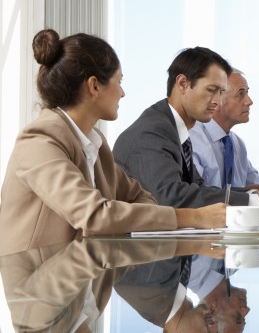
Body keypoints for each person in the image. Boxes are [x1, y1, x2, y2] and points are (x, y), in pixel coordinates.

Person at [0, 30, 225, 258]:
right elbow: (95, 216)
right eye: (119, 81)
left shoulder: (94, 144)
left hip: (84, 281)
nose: (123, 93)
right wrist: (195, 217)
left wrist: (121, 219)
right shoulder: (39, 141)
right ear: (94, 86)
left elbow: (144, 198)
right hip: (36, 286)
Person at [113, 47, 259, 215]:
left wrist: (255, 196)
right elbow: (170, 197)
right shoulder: (153, 131)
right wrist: (255, 202)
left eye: (221, 92)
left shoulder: (176, 128)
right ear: (183, 83)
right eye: (211, 90)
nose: (218, 101)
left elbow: (198, 189)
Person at [190, 69, 259, 198]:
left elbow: (256, 186)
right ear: (216, 101)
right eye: (240, 94)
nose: (249, 101)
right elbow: (197, 195)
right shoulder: (191, 140)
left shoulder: (236, 143)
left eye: (247, 93)